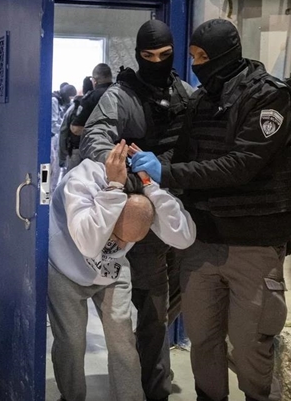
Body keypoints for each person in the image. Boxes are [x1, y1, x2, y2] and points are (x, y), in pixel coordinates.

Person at [131, 19, 291, 401]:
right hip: (202, 243)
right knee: (203, 341)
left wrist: (166, 171)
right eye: (193, 57)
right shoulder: (201, 101)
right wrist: (143, 168)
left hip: (254, 246)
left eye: (202, 57)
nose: (196, 65)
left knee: (250, 347)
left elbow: (241, 165)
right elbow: (182, 154)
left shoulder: (269, 97)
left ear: (225, 55)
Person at [78, 20, 191, 401]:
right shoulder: (121, 96)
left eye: (165, 55)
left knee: (167, 306)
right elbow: (94, 139)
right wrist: (132, 177)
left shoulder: (185, 93)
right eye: (148, 56)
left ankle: (150, 382)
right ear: (139, 55)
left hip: (180, 212)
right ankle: (149, 390)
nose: (157, 62)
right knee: (148, 310)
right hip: (143, 216)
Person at [48, 141, 196, 401]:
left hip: (111, 272)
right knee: (71, 343)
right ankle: (71, 397)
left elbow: (184, 237)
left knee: (123, 342)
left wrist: (151, 187)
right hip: (65, 267)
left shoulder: (142, 189)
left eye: (127, 243)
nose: (118, 245)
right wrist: (114, 189)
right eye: (116, 238)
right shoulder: (83, 180)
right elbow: (89, 244)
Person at [65, 64, 113, 171]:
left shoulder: (91, 97)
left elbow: (76, 128)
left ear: (94, 81)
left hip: (92, 153)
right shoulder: (121, 94)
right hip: (118, 153)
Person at [59, 74, 98, 173]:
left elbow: (63, 131)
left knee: (73, 179)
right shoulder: (100, 104)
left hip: (75, 150)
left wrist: (62, 156)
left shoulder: (74, 107)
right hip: (94, 151)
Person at [51, 83, 78, 193]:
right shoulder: (54, 100)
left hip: (57, 136)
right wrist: (66, 129)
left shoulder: (62, 102)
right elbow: (53, 125)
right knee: (53, 166)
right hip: (52, 137)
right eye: (70, 97)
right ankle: (51, 192)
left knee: (57, 167)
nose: (70, 100)